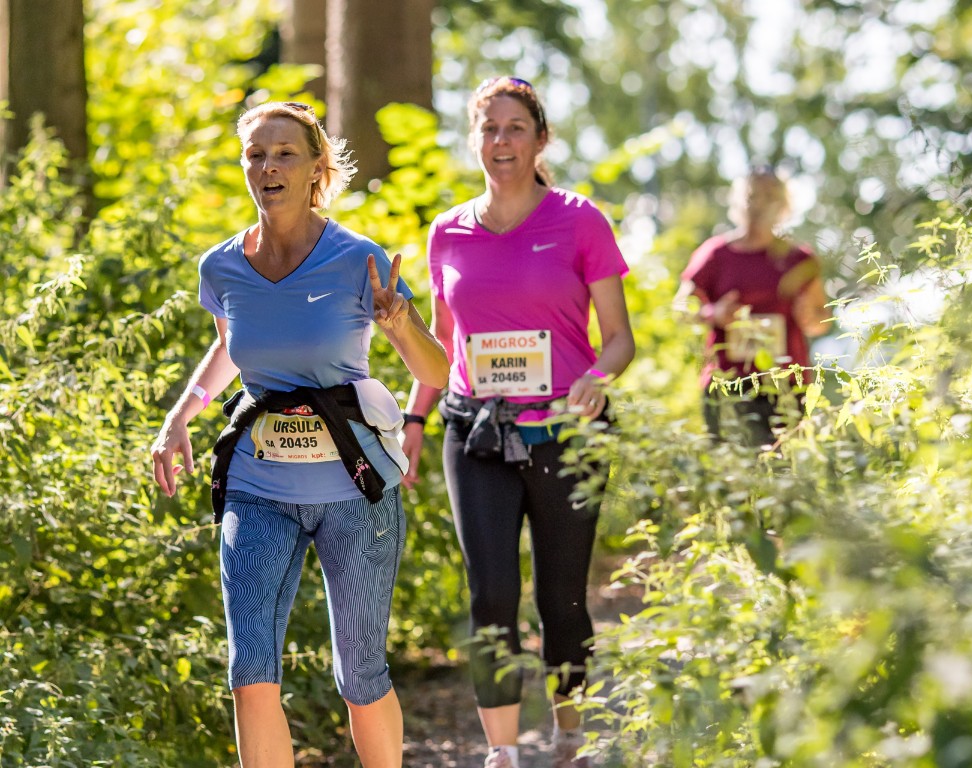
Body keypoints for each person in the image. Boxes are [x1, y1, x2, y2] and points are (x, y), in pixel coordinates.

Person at [150, 101, 449, 768]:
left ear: (316, 167)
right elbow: (230, 347)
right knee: (249, 668)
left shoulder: (358, 259)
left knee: (360, 673)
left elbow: (437, 371)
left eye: (284, 153)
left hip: (356, 491)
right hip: (257, 487)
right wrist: (179, 418)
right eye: (256, 154)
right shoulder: (221, 267)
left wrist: (401, 325)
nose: (268, 166)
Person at [399, 77, 635, 768]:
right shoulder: (448, 231)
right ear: (475, 140)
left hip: (568, 432)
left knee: (562, 598)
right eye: (489, 129)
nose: (501, 141)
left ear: (540, 140)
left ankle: (569, 738)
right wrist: (413, 420)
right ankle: (501, 753)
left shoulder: (579, 220)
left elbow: (619, 339)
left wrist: (597, 379)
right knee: (492, 596)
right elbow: (442, 351)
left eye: (515, 128)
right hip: (475, 433)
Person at [672, 166, 831, 447]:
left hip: (785, 387)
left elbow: (822, 321)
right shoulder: (716, 254)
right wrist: (713, 313)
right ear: (737, 201)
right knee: (730, 468)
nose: (759, 204)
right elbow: (681, 307)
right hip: (727, 384)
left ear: (784, 205)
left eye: (769, 197)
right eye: (751, 196)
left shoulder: (799, 259)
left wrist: (810, 317)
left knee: (780, 468)